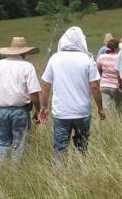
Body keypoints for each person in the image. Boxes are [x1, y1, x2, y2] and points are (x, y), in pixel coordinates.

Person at [39, 27, 106, 162]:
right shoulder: (87, 59)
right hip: (82, 112)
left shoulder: (55, 59)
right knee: (82, 147)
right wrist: (100, 108)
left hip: (61, 112)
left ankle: (59, 177)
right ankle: (79, 172)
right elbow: (94, 86)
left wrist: (43, 107)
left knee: (60, 149)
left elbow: (46, 84)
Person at [0, 37, 41, 170]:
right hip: (20, 111)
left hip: (1, 110)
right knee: (19, 144)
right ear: (24, 52)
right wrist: (38, 111)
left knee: (0, 141)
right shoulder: (27, 66)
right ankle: (15, 173)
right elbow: (33, 93)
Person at [97, 39, 122, 113]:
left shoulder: (101, 57)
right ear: (116, 48)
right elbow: (120, 72)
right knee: (119, 106)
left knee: (105, 108)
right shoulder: (119, 57)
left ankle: (107, 122)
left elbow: (97, 69)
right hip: (116, 85)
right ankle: (119, 122)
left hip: (104, 84)